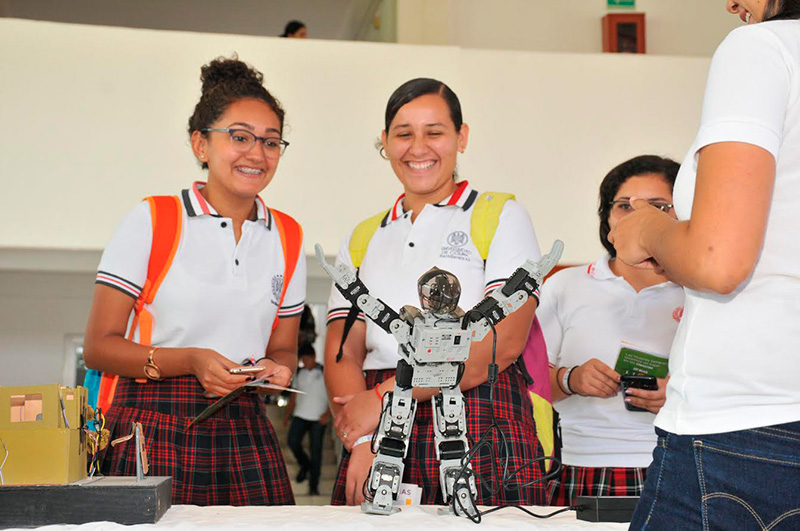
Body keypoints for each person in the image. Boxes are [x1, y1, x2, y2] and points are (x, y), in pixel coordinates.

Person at [609, 1, 800, 528]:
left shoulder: (763, 47)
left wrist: (647, 228)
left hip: (747, 428)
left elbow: (717, 261)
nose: (730, 4)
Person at [83, 56, 305, 506]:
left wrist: (277, 369)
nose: (257, 153)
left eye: (271, 141)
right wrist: (191, 359)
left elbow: (284, 347)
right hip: (152, 422)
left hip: (244, 424)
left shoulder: (288, 235)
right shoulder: (154, 218)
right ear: (201, 144)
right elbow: (99, 347)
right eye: (239, 137)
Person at [324, 78, 546, 507]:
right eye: (403, 134)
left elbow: (499, 344)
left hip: (475, 411)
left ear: (462, 137)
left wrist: (384, 399)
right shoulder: (364, 236)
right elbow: (343, 349)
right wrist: (366, 436)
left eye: (435, 132)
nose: (418, 147)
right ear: (385, 141)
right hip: (377, 426)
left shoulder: (499, 215)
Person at [536, 155, 684, 506]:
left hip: (675, 462)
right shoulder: (565, 285)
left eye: (658, 206)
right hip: (578, 462)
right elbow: (527, 384)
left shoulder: (699, 291)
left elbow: (734, 385)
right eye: (624, 206)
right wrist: (570, 379)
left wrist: (679, 395)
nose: (638, 218)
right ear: (607, 218)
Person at [285, 343, 331, 497]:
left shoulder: (325, 372)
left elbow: (334, 395)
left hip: (318, 418)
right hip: (300, 415)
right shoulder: (299, 372)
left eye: (307, 359)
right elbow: (293, 395)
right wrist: (287, 414)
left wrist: (328, 414)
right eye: (302, 360)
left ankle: (313, 486)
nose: (305, 362)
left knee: (316, 452)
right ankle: (305, 465)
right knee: (292, 442)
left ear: (314, 357)